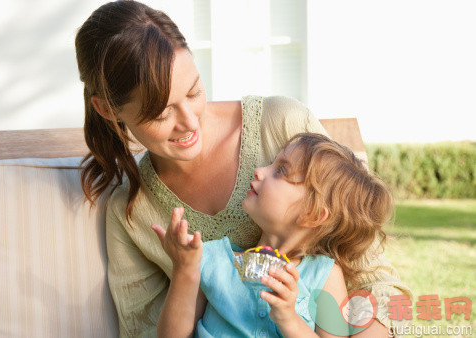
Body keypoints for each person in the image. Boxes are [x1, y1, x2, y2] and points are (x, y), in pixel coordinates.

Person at [74, 1, 411, 337]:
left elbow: (374, 278)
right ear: (107, 109)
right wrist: (186, 273)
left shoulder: (282, 126)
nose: (191, 123)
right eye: (161, 114)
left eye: (193, 92)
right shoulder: (131, 214)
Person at [151, 133, 394, 337]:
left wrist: (289, 320)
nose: (258, 171)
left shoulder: (325, 275)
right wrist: (184, 271)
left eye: (280, 171)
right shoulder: (212, 259)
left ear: (312, 213)